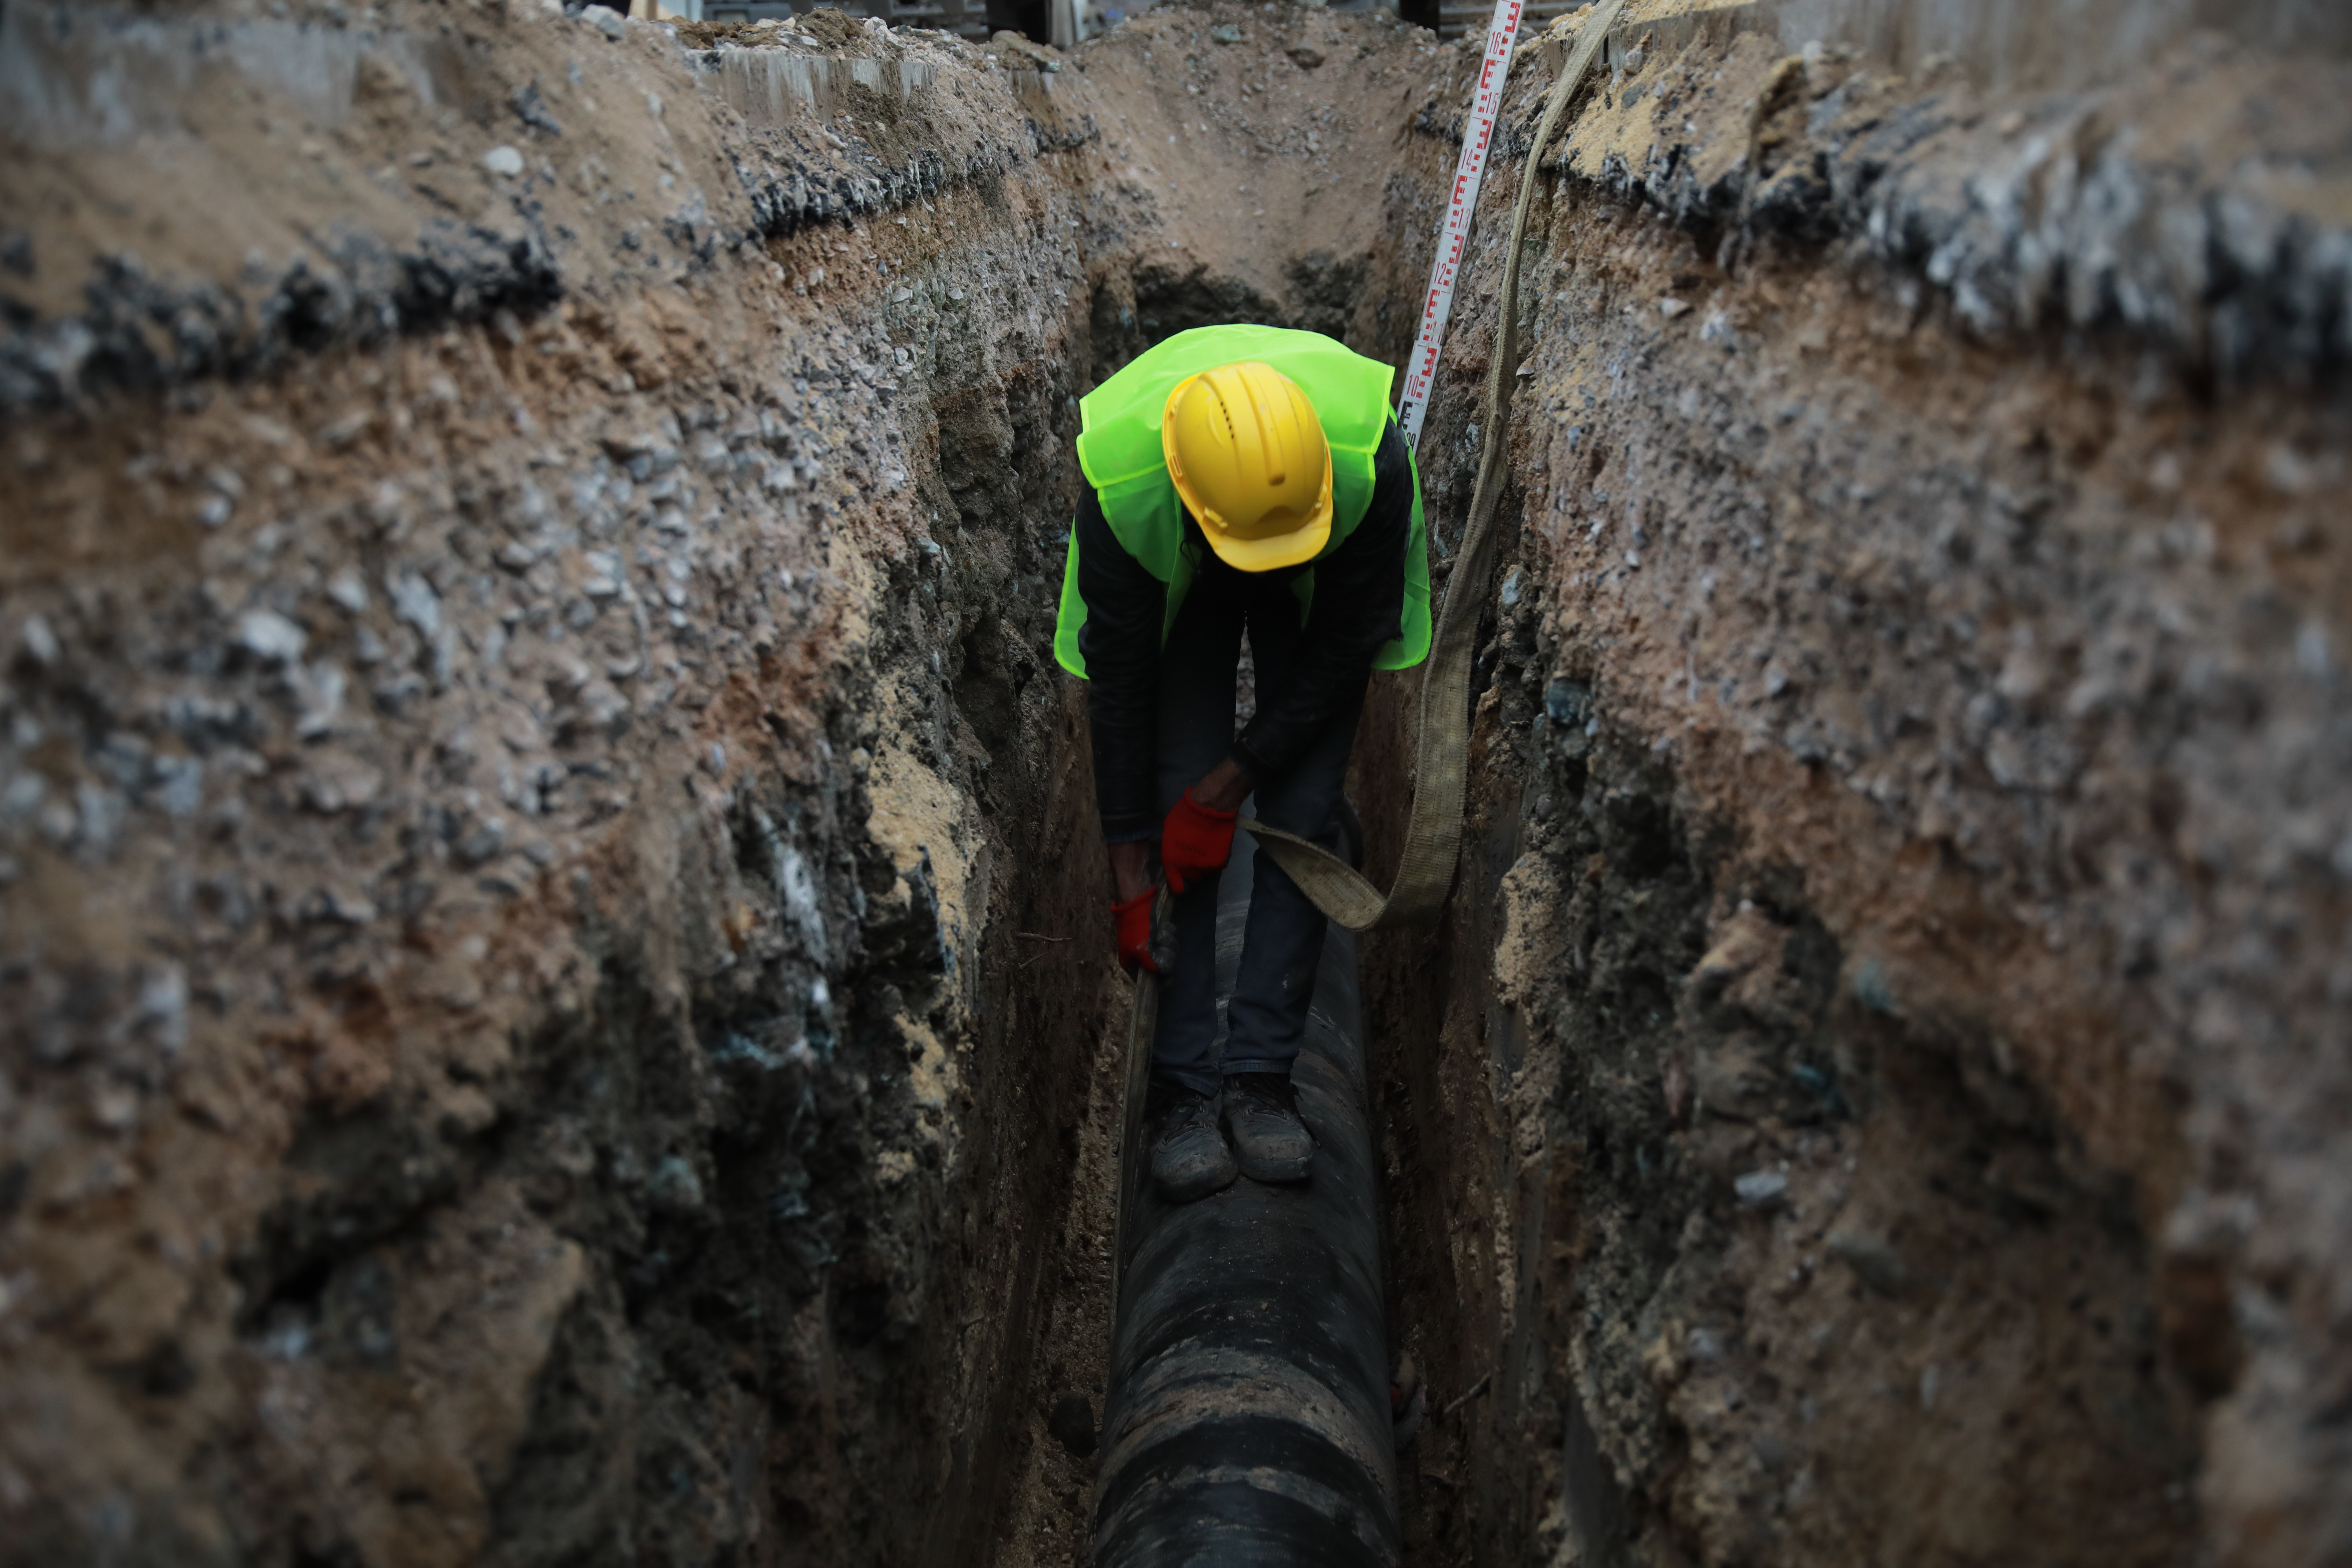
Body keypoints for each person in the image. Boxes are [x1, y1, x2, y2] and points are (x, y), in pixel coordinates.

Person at [1053, 324, 1430, 1202]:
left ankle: (1261, 1072)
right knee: (1177, 771)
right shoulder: (1127, 490)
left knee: (1302, 814)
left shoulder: (1371, 462)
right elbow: (1120, 687)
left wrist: (1234, 787)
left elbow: (1345, 646)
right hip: (1184, 563)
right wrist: (1129, 864)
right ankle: (1181, 1089)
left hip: (1322, 559)